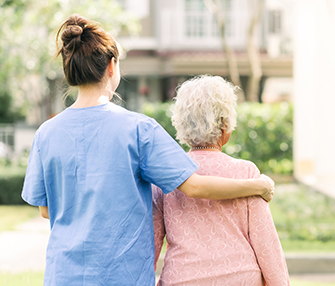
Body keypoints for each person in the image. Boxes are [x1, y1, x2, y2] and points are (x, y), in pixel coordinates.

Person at [20, 14, 275, 286]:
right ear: (111, 66)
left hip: (63, 276)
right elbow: (196, 187)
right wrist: (257, 186)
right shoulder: (138, 129)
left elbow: (46, 210)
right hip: (121, 278)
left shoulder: (46, 133)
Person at [153, 75, 290, 286]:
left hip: (183, 279)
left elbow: (150, 243)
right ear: (225, 124)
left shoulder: (167, 175)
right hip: (240, 278)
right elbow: (266, 245)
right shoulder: (246, 172)